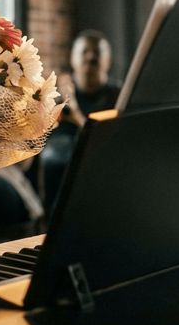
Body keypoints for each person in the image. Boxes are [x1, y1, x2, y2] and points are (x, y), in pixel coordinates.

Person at [34, 30, 120, 207]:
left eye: (97, 53)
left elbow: (109, 143)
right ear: (73, 58)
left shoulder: (118, 96)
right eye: (84, 52)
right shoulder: (56, 92)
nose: (90, 57)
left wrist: (75, 114)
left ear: (108, 61)